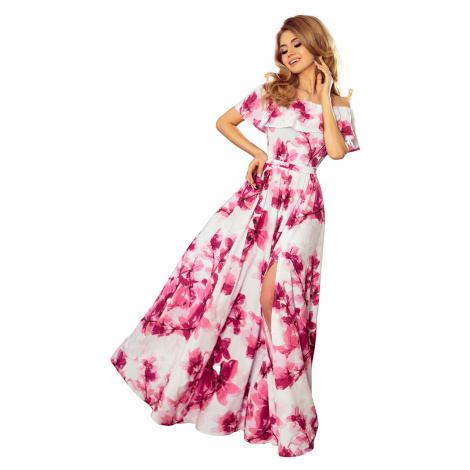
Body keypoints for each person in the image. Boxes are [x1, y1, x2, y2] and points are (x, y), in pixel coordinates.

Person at [110, 14, 360, 458]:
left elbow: (337, 153)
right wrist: (258, 152)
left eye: (297, 44)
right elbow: (224, 122)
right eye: (283, 48)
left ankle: (293, 416)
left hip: (304, 204)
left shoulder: (338, 104)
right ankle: (261, 408)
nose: (289, 53)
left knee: (277, 299)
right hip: (264, 198)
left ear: (316, 44)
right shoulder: (271, 94)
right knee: (222, 289)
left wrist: (325, 98)